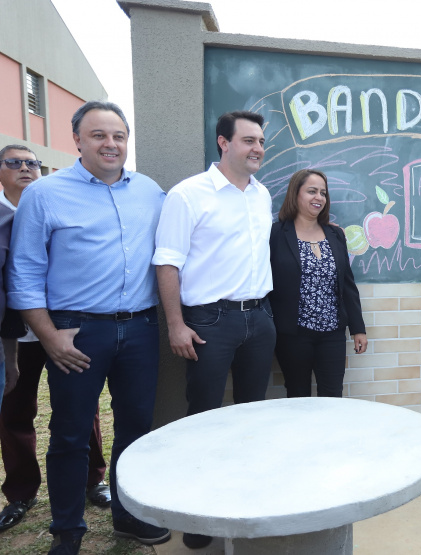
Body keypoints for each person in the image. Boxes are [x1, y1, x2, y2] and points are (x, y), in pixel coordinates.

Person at [6, 101, 170, 554]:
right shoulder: (45, 194)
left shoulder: (150, 191)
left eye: (118, 135)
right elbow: (24, 271)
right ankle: (67, 531)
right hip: (76, 333)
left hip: (140, 329)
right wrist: (48, 336)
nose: (110, 144)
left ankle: (129, 517)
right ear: (77, 139)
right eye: (99, 135)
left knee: (136, 428)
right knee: (70, 433)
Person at [153, 110, 275, 550]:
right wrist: (176, 324)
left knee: (250, 415)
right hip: (209, 322)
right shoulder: (188, 195)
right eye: (248, 140)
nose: (258, 148)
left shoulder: (262, 194)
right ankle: (200, 514)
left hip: (259, 318)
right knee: (203, 417)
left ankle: (242, 501)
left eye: (261, 141)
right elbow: (167, 262)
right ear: (223, 143)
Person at [0, 145, 110, 534]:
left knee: (82, 407)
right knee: (14, 411)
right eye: (14, 162)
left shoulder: (54, 205)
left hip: (65, 326)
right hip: (15, 335)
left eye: (33, 163)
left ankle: (93, 480)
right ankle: (21, 492)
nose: (26, 168)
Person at [269, 169, 367, 397]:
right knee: (298, 395)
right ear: (295, 194)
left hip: (332, 334)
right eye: (312, 191)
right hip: (293, 335)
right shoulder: (276, 234)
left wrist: (358, 329)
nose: (319, 198)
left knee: (333, 396)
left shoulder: (335, 234)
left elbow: (347, 285)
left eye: (323, 193)